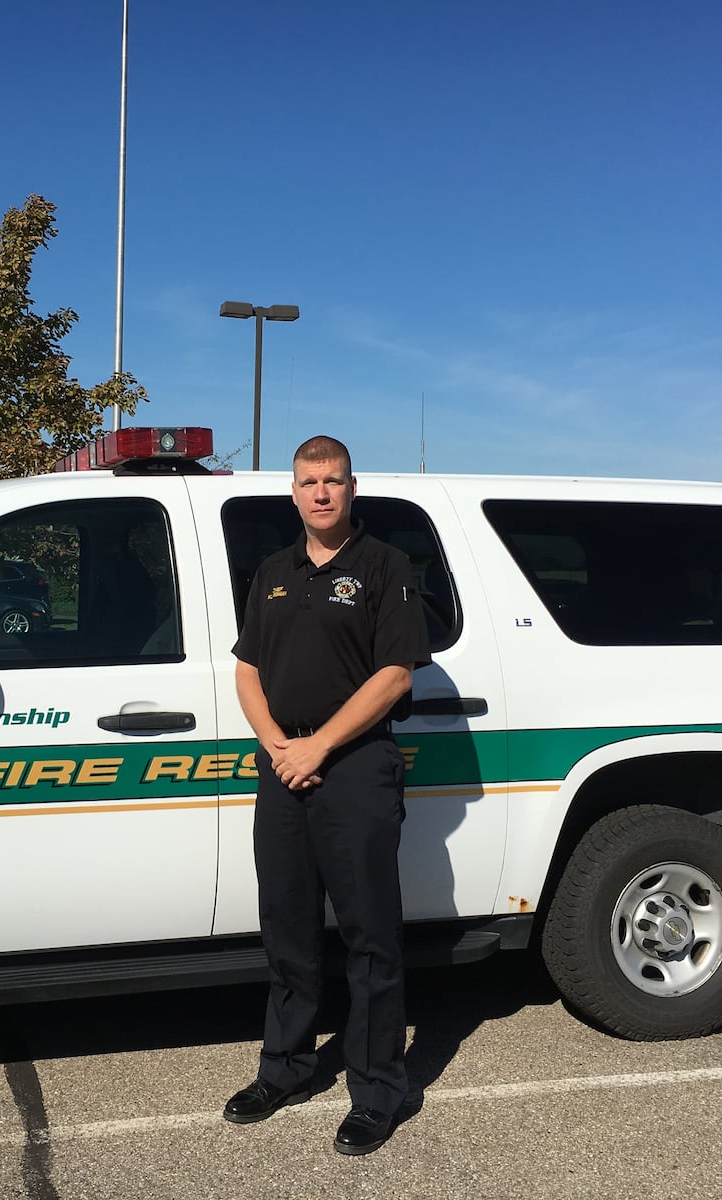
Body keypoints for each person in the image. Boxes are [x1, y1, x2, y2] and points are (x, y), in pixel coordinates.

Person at [223, 434, 431, 1156]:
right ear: (293, 490)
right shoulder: (273, 572)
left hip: (355, 770)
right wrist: (280, 744)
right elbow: (247, 669)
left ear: (351, 488)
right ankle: (285, 1068)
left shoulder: (385, 567)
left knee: (370, 936)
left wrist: (320, 746)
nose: (321, 493)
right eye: (309, 482)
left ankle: (379, 1090)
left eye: (333, 481)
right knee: (286, 928)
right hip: (283, 767)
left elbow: (395, 675)